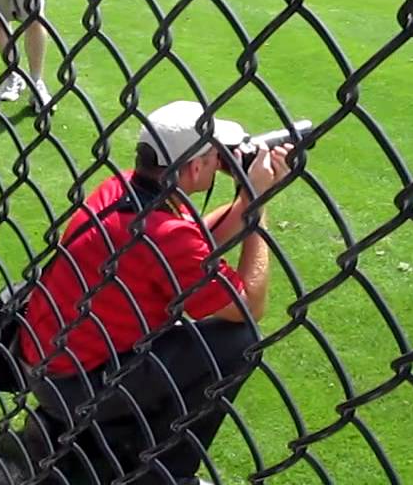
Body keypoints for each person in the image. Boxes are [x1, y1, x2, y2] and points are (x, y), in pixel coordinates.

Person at [18, 100, 292, 483]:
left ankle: (122, 440)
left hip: (53, 366)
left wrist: (245, 198)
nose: (222, 161)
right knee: (239, 340)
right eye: (216, 155)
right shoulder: (164, 233)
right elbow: (249, 305)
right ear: (195, 167)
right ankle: (163, 473)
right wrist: (258, 206)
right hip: (78, 387)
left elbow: (196, 245)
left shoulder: (124, 186)